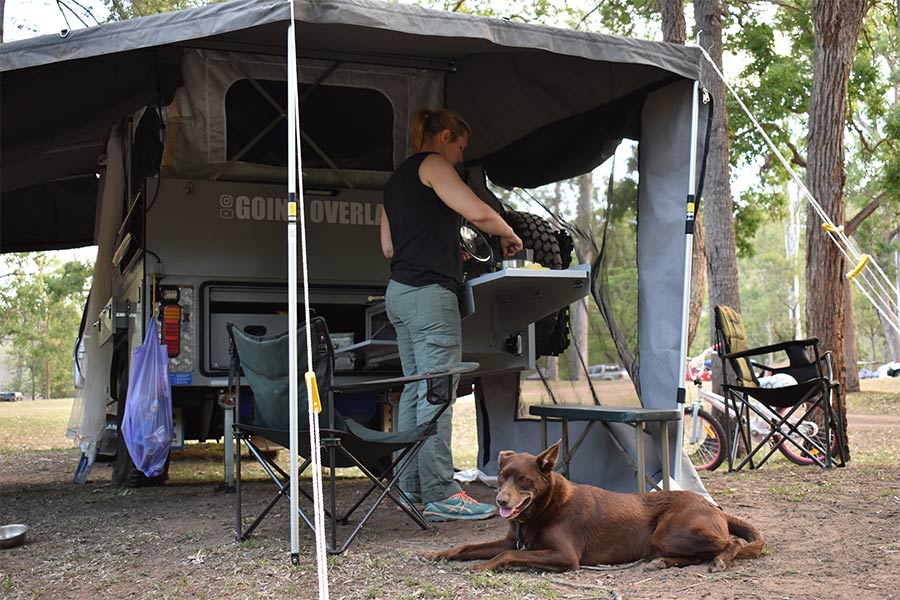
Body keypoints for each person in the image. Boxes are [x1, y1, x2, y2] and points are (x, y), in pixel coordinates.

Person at [380, 108, 523, 521]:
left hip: (399, 293)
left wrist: (444, 248)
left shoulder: (394, 181)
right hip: (429, 295)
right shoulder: (434, 164)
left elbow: (390, 248)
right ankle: (443, 492)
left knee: (414, 390)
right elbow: (477, 211)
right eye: (460, 148)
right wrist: (508, 232)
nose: (460, 159)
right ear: (444, 136)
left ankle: (410, 488)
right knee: (438, 392)